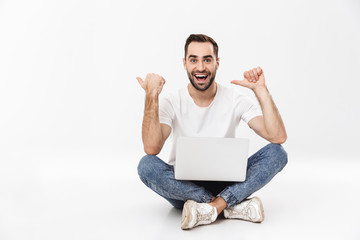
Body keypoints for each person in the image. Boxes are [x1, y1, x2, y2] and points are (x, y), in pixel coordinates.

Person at [136, 34, 288, 230]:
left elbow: (278, 137)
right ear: (184, 63)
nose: (200, 67)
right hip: (183, 189)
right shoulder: (172, 101)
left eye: (207, 60)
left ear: (217, 63)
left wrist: (261, 90)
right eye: (194, 60)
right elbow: (151, 147)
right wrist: (151, 95)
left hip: (228, 182)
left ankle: (211, 207)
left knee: (277, 153)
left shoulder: (235, 98)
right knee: (146, 165)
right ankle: (227, 205)